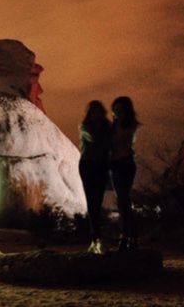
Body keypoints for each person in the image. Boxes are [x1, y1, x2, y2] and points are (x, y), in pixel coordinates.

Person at [78, 100, 112, 254]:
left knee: (97, 202)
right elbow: (94, 139)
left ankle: (97, 238)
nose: (96, 115)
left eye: (98, 112)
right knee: (92, 202)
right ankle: (96, 238)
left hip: (101, 165)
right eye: (93, 112)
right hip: (88, 165)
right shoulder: (85, 127)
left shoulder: (108, 128)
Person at [109, 96, 140, 251]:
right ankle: (127, 237)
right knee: (122, 202)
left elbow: (125, 141)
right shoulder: (113, 126)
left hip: (126, 163)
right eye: (115, 110)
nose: (117, 112)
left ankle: (128, 237)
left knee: (124, 201)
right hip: (115, 165)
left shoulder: (129, 126)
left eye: (120, 110)